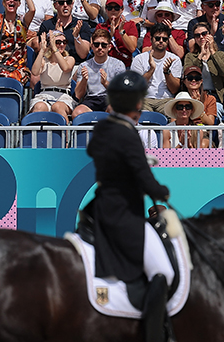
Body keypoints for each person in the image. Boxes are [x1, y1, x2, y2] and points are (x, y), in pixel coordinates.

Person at [85, 69, 172, 342]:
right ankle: (152, 336)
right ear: (138, 103)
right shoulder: (127, 133)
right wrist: (162, 191)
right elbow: (145, 180)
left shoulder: (102, 128)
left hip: (98, 210)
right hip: (124, 215)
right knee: (164, 272)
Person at [73, 28, 127, 117]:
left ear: (109, 47)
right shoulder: (84, 66)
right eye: (97, 44)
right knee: (77, 113)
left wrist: (105, 83)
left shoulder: (118, 65)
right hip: (91, 99)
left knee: (116, 109)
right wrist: (84, 80)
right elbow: (78, 95)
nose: (100, 48)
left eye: (104, 45)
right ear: (92, 46)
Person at [131, 23, 182, 113]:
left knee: (174, 114)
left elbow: (174, 89)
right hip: (144, 99)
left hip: (166, 100)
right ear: (151, 39)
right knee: (143, 117)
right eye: (157, 38)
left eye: (165, 39)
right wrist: (151, 70)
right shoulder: (139, 59)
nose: (161, 41)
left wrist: (167, 72)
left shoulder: (175, 59)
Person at [29, 31, 76, 121]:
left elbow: (65, 68)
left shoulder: (69, 59)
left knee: (58, 107)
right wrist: (42, 50)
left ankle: (65, 135)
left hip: (63, 95)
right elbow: (35, 72)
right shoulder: (44, 61)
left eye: (64, 42)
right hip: (44, 95)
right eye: (58, 42)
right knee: (39, 107)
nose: (61, 44)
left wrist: (55, 48)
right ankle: (36, 134)